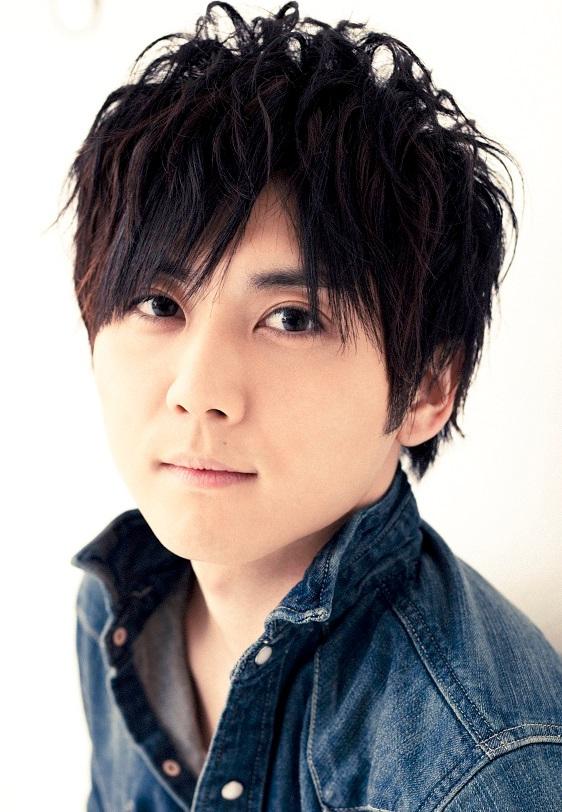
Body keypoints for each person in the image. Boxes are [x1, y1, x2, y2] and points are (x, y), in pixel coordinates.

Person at [60, 2, 562, 809]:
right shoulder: (121, 604)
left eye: (291, 319)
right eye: (159, 304)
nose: (198, 391)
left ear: (428, 388)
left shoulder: (473, 770)